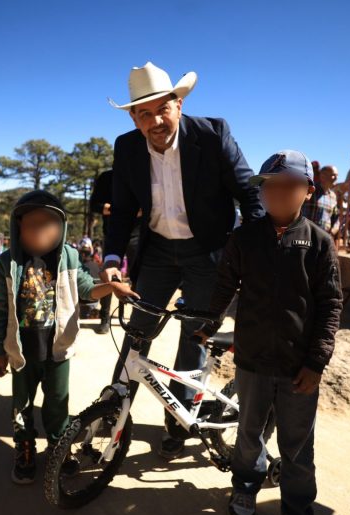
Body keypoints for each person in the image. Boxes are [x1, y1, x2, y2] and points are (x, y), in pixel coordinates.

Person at [101, 62, 263, 459]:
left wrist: (254, 250)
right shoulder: (126, 147)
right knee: (137, 332)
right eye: (144, 114)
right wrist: (112, 257)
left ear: (179, 104)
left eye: (163, 109)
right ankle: (113, 412)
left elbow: (249, 193)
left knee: (195, 337)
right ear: (133, 118)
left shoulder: (212, 134)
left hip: (207, 253)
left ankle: (178, 420)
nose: (156, 121)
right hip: (157, 251)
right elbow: (121, 211)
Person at [196, 150, 343, 515]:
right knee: (249, 434)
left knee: (298, 444)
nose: (278, 192)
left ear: (308, 191)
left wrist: (316, 362)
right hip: (252, 361)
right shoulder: (244, 238)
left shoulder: (320, 242)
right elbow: (225, 286)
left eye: (289, 185)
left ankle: (296, 507)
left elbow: (330, 305)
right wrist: (209, 324)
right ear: (260, 191)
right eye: (270, 185)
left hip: (299, 367)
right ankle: (245, 488)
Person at [0, 189, 137, 485]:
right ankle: (24, 447)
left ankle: (59, 446)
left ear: (62, 227)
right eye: (32, 224)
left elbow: (86, 288)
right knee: (22, 405)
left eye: (49, 223)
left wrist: (110, 288)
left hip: (57, 348)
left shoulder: (69, 257)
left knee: (58, 404)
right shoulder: (8, 262)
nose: (40, 230)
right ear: (18, 227)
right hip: (21, 351)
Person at [89, 169, 141, 334]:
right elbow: (95, 204)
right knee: (109, 276)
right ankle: (105, 318)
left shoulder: (141, 174)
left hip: (137, 234)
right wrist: (122, 211)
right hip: (112, 235)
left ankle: (137, 318)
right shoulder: (106, 177)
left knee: (138, 277)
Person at [301, 165, 339, 237]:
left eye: (337, 175)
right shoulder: (309, 190)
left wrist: (332, 232)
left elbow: (336, 218)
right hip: (303, 236)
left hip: (322, 238)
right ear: (322, 176)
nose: (336, 178)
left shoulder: (333, 196)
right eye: (333, 175)